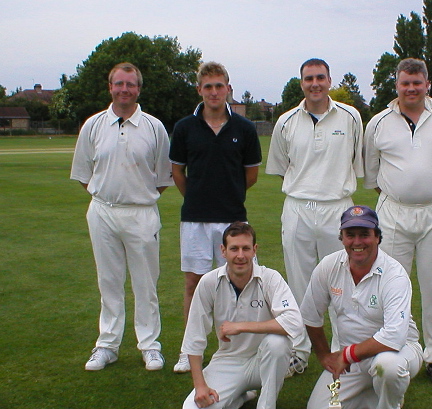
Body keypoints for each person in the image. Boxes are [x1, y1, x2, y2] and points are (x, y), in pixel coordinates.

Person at [363, 58, 432, 385]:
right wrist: (403, 195)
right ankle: (390, 350)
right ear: (395, 85)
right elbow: (372, 173)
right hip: (393, 213)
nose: (411, 88)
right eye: (405, 83)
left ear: (427, 85)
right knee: (390, 286)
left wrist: (431, 193)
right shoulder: (379, 122)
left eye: (417, 82)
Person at [70, 62, 172, 371]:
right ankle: (107, 345)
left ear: (138, 89)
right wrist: (108, 195)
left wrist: (135, 198)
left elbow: (163, 178)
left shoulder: (154, 127)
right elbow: (85, 173)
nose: (124, 89)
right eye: (118, 84)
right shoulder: (94, 125)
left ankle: (150, 346)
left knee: (145, 284)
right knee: (109, 282)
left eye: (130, 84)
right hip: (102, 212)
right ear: (110, 87)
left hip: (141, 214)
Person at [266, 58, 364, 376]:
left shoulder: (350, 118)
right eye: (309, 79)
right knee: (300, 283)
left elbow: (356, 163)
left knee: (339, 282)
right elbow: (283, 170)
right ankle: (300, 349)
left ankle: (341, 349)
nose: (315, 84)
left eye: (320, 77)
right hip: (298, 207)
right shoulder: (285, 122)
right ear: (301, 83)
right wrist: (306, 194)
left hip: (337, 207)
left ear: (329, 80)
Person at [301, 205, 423, 409]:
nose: (358, 242)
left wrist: (346, 355)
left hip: (399, 350)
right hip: (352, 357)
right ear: (342, 238)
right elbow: (310, 315)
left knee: (387, 366)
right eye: (350, 235)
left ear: (377, 237)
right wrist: (324, 355)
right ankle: (387, 394)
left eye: (365, 234)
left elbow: (394, 337)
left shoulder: (394, 274)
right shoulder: (328, 266)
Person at [169, 61, 262, 373]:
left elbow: (250, 176)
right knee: (194, 285)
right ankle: (189, 350)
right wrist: (198, 196)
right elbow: (178, 173)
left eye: (219, 85)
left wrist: (227, 195)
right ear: (199, 90)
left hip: (233, 219)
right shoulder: (184, 128)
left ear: (228, 89)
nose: (213, 92)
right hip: (195, 218)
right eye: (207, 86)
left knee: (240, 284)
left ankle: (238, 350)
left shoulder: (245, 129)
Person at [178, 222, 303, 409]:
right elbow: (194, 338)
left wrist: (241, 326)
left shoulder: (270, 278)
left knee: (278, 344)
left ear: (255, 250)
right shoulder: (209, 283)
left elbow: (294, 322)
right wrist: (200, 385)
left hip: (263, 361)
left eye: (246, 249)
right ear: (223, 251)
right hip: (228, 362)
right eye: (234, 249)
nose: (240, 255)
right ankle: (240, 397)